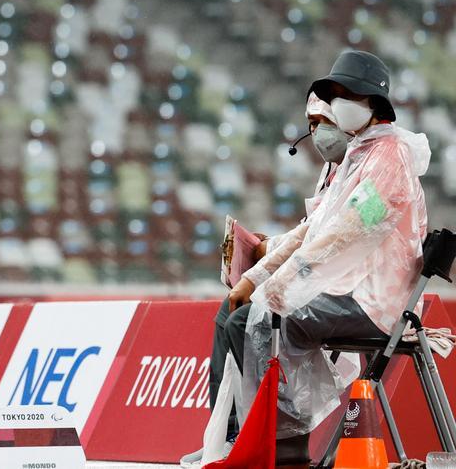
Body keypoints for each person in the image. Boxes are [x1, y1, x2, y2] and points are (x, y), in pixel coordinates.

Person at [215, 50, 428, 464]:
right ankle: (240, 440)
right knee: (242, 313)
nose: (339, 102)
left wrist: (279, 286)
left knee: (259, 321)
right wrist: (256, 278)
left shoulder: (389, 158)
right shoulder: (357, 156)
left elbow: (349, 233)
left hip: (372, 298)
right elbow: (314, 232)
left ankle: (280, 449)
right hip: (344, 288)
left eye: (348, 93)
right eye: (335, 93)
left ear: (373, 104)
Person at [180, 92, 346, 467]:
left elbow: (328, 240)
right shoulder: (331, 171)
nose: (317, 134)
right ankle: (227, 435)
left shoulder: (360, 168)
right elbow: (308, 231)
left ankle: (278, 442)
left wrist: (269, 269)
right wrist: (268, 248)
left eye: (324, 124)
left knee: (246, 321)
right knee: (230, 311)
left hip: (337, 287)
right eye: (312, 126)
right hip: (315, 278)